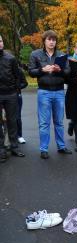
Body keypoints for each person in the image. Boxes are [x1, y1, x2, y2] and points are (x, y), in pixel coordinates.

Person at [28, 30, 72, 159]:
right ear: (44, 41)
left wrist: (60, 70)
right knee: (44, 123)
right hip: (44, 91)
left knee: (59, 122)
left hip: (59, 91)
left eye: (54, 40)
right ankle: (44, 149)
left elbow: (68, 72)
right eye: (49, 39)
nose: (52, 42)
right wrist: (42, 69)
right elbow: (31, 72)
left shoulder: (62, 55)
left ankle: (61, 146)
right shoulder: (35, 54)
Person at [0, 34, 25, 162]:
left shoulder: (11, 58)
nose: (0, 43)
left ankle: (14, 147)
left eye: (1, 40)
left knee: (12, 121)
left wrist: (15, 90)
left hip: (10, 94)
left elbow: (18, 76)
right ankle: (1, 150)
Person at [16, 66, 28, 144]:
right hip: (4, 95)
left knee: (17, 116)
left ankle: (19, 136)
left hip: (16, 95)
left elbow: (25, 83)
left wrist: (17, 87)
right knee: (4, 118)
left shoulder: (18, 70)